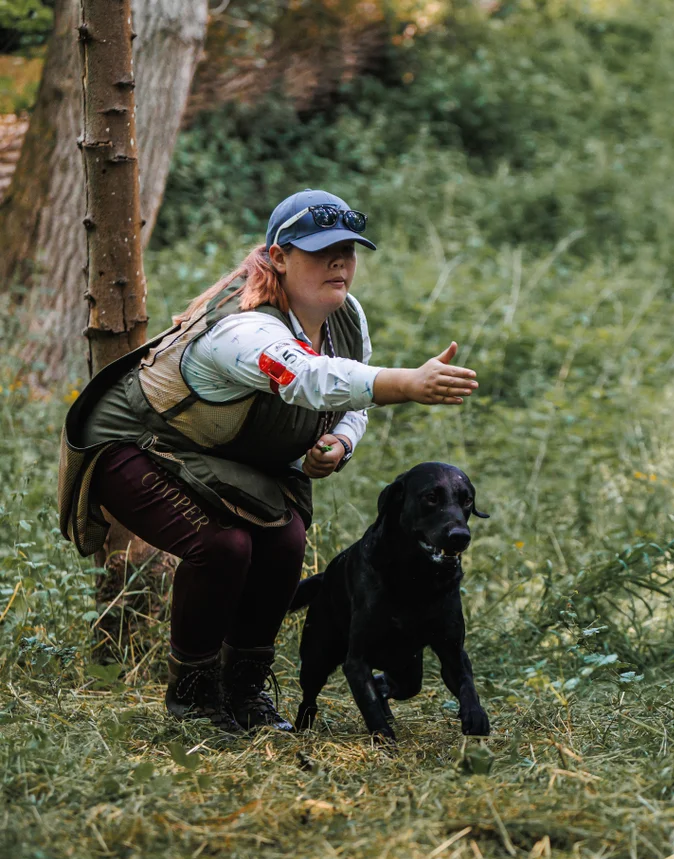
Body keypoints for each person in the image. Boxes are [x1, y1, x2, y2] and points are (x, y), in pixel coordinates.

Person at [58, 189, 479, 732]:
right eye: (321, 250)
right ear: (278, 257)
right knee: (223, 546)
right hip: (132, 447)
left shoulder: (344, 314)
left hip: (217, 454)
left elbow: (348, 399)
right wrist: (407, 383)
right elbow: (307, 377)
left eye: (348, 250)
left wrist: (342, 443)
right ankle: (194, 699)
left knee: (285, 542)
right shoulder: (243, 328)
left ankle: (245, 691)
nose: (340, 263)